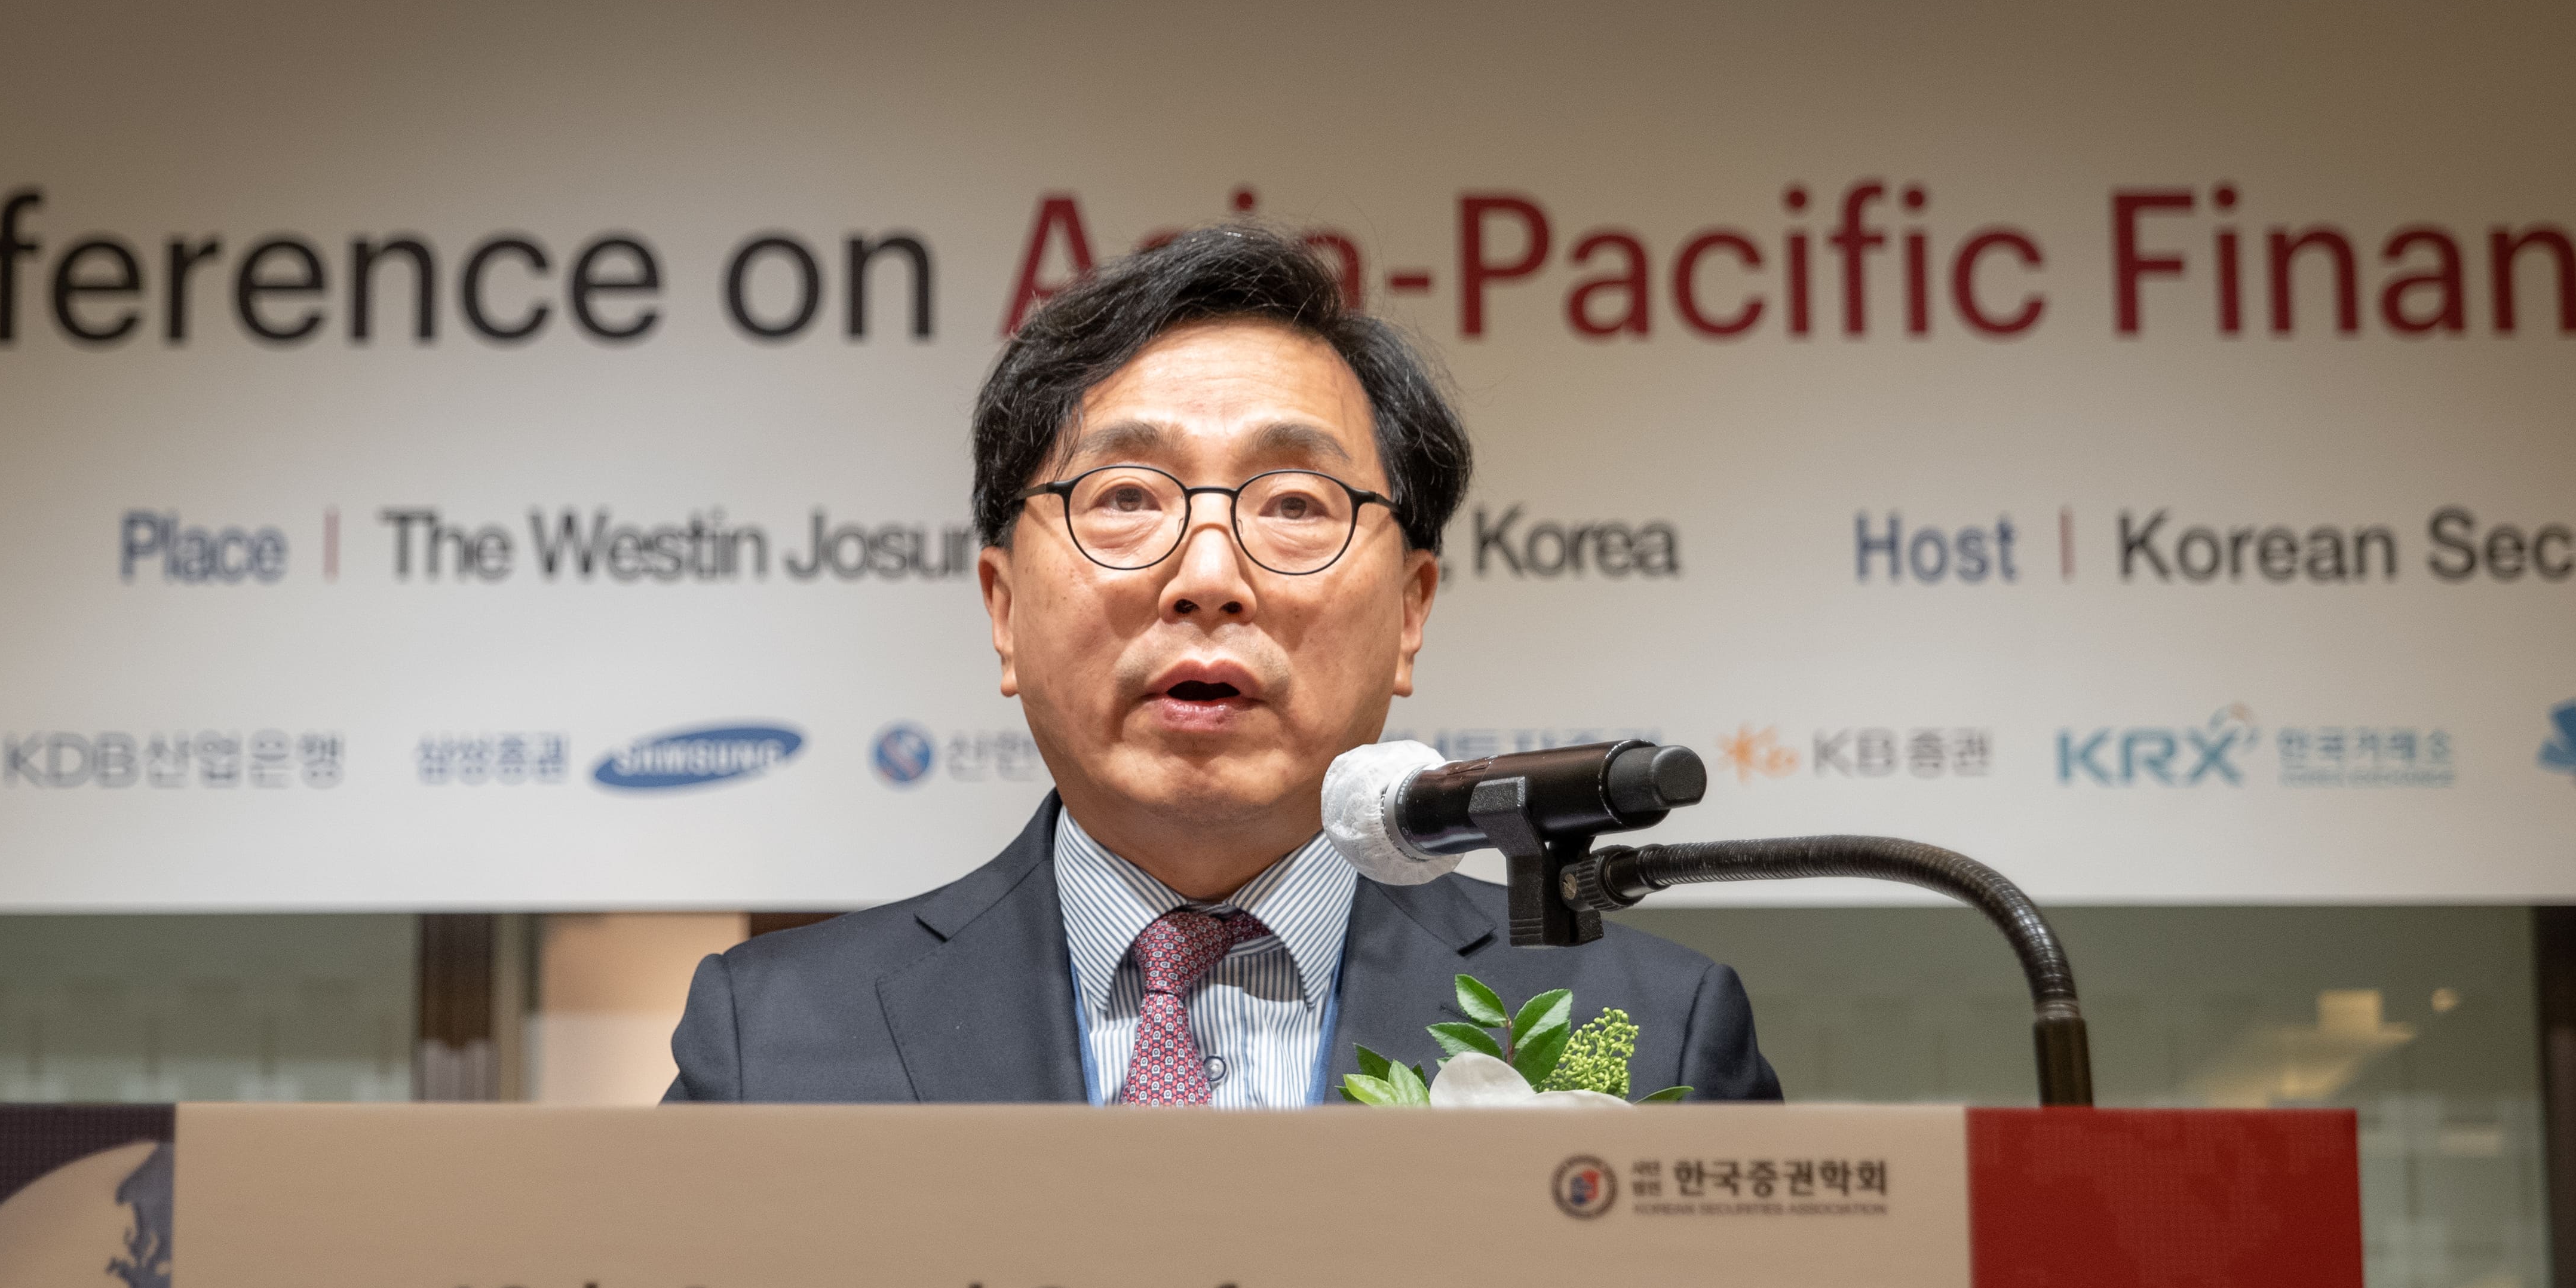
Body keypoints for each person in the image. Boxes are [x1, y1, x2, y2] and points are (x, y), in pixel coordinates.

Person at [666, 226, 1777, 1105]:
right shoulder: (774, 1039)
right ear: (1003, 611)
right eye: (1124, 497)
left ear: (1410, 612)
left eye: (1294, 503)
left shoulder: (1645, 1026)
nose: (1207, 575)